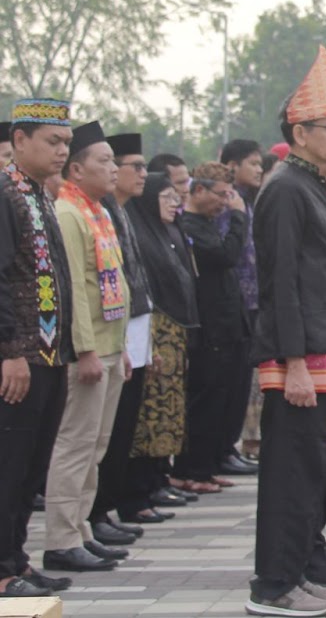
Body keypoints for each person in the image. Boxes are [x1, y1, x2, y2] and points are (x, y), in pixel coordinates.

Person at [248, 47, 326, 617]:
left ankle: (296, 570)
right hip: (300, 357)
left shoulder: (309, 185)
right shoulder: (284, 189)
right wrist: (293, 361)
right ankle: (274, 585)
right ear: (298, 133)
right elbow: (282, 285)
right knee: (290, 476)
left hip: (324, 349)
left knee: (311, 472)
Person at [43, 121, 131, 574]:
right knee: (76, 443)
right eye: (104, 161)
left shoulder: (98, 211)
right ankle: (60, 537)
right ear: (76, 169)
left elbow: (110, 284)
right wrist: (86, 350)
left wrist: (122, 347)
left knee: (96, 444)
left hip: (110, 344)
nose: (113, 169)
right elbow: (74, 287)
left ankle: (81, 528)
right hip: (89, 350)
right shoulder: (68, 213)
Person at [0, 100, 78, 599]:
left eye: (66, 144)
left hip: (50, 353)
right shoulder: (6, 194)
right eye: (52, 142)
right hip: (21, 356)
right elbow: (4, 278)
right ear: (20, 140)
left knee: (31, 466)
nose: (62, 152)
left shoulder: (39, 195)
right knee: (9, 464)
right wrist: (9, 351)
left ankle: (16, 558)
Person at [88, 133, 153, 547]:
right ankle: (94, 514)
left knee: (121, 425)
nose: (136, 174)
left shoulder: (120, 210)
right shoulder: (96, 209)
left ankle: (104, 508)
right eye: (134, 166)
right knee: (96, 434)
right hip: (108, 328)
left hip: (133, 325)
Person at [172, 162, 248, 494]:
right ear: (198, 190)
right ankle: (193, 469)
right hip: (207, 328)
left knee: (222, 400)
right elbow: (226, 255)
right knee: (203, 402)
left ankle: (211, 463)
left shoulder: (206, 223)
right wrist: (239, 218)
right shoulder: (187, 226)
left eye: (229, 196)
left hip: (227, 326)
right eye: (221, 195)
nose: (224, 203)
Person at [123, 174, 195, 525]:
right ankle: (137, 492)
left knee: (168, 413)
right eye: (165, 197)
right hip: (150, 333)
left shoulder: (169, 232)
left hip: (171, 332)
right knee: (149, 417)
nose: (174, 203)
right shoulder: (138, 230)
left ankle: (156, 482)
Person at [220, 138, 265, 472]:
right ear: (232, 166)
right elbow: (227, 252)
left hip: (251, 302)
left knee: (240, 381)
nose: (259, 169)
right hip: (230, 304)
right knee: (226, 383)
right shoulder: (225, 202)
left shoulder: (247, 201)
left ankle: (227, 447)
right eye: (252, 162)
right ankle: (221, 450)